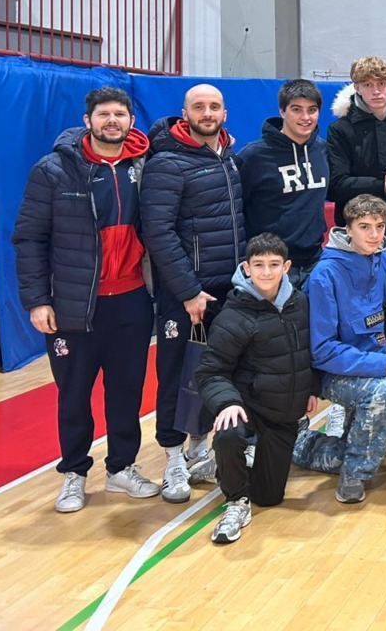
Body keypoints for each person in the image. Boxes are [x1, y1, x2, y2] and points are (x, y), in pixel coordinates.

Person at [13, 86, 161, 512]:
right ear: (88, 121)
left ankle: (121, 469)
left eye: (119, 114)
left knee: (126, 391)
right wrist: (38, 300)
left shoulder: (145, 165)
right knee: (74, 394)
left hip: (131, 300)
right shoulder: (54, 170)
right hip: (75, 305)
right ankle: (74, 473)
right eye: (103, 114)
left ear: (131, 120)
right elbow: (29, 238)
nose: (112, 121)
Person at [142, 83, 246, 503]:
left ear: (224, 113)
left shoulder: (229, 156)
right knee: (175, 374)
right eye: (198, 107)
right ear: (184, 114)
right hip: (185, 294)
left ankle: (198, 447)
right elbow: (158, 233)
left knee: (213, 372)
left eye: (214, 106)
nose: (207, 113)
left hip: (226, 290)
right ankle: (172, 458)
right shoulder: (166, 162)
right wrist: (188, 291)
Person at [196, 234, 317, 544]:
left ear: (286, 267)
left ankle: (222, 468)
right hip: (245, 404)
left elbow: (307, 352)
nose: (266, 272)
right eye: (259, 265)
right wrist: (227, 403)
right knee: (227, 434)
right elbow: (210, 371)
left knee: (269, 496)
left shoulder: (300, 303)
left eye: (274, 265)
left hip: (282, 412)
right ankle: (235, 499)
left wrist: (311, 388)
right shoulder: (233, 315)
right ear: (246, 268)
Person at [290, 194, 386, 504]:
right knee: (384, 393)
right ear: (347, 229)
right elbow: (322, 350)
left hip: (380, 362)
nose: (374, 235)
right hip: (334, 373)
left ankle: (309, 444)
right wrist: (373, 364)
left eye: (380, 226)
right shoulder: (325, 275)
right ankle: (353, 474)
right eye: (364, 227)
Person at [238, 78, 330, 288]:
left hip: (314, 261)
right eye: (297, 109)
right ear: (282, 111)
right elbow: (235, 212)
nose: (305, 117)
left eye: (312, 110)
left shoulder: (322, 149)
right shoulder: (253, 156)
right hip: (270, 265)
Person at [326, 56, 386, 255]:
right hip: (355, 233)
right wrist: (382, 185)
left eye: (381, 84)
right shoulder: (340, 129)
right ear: (356, 88)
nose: (376, 91)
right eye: (367, 85)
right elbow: (336, 185)